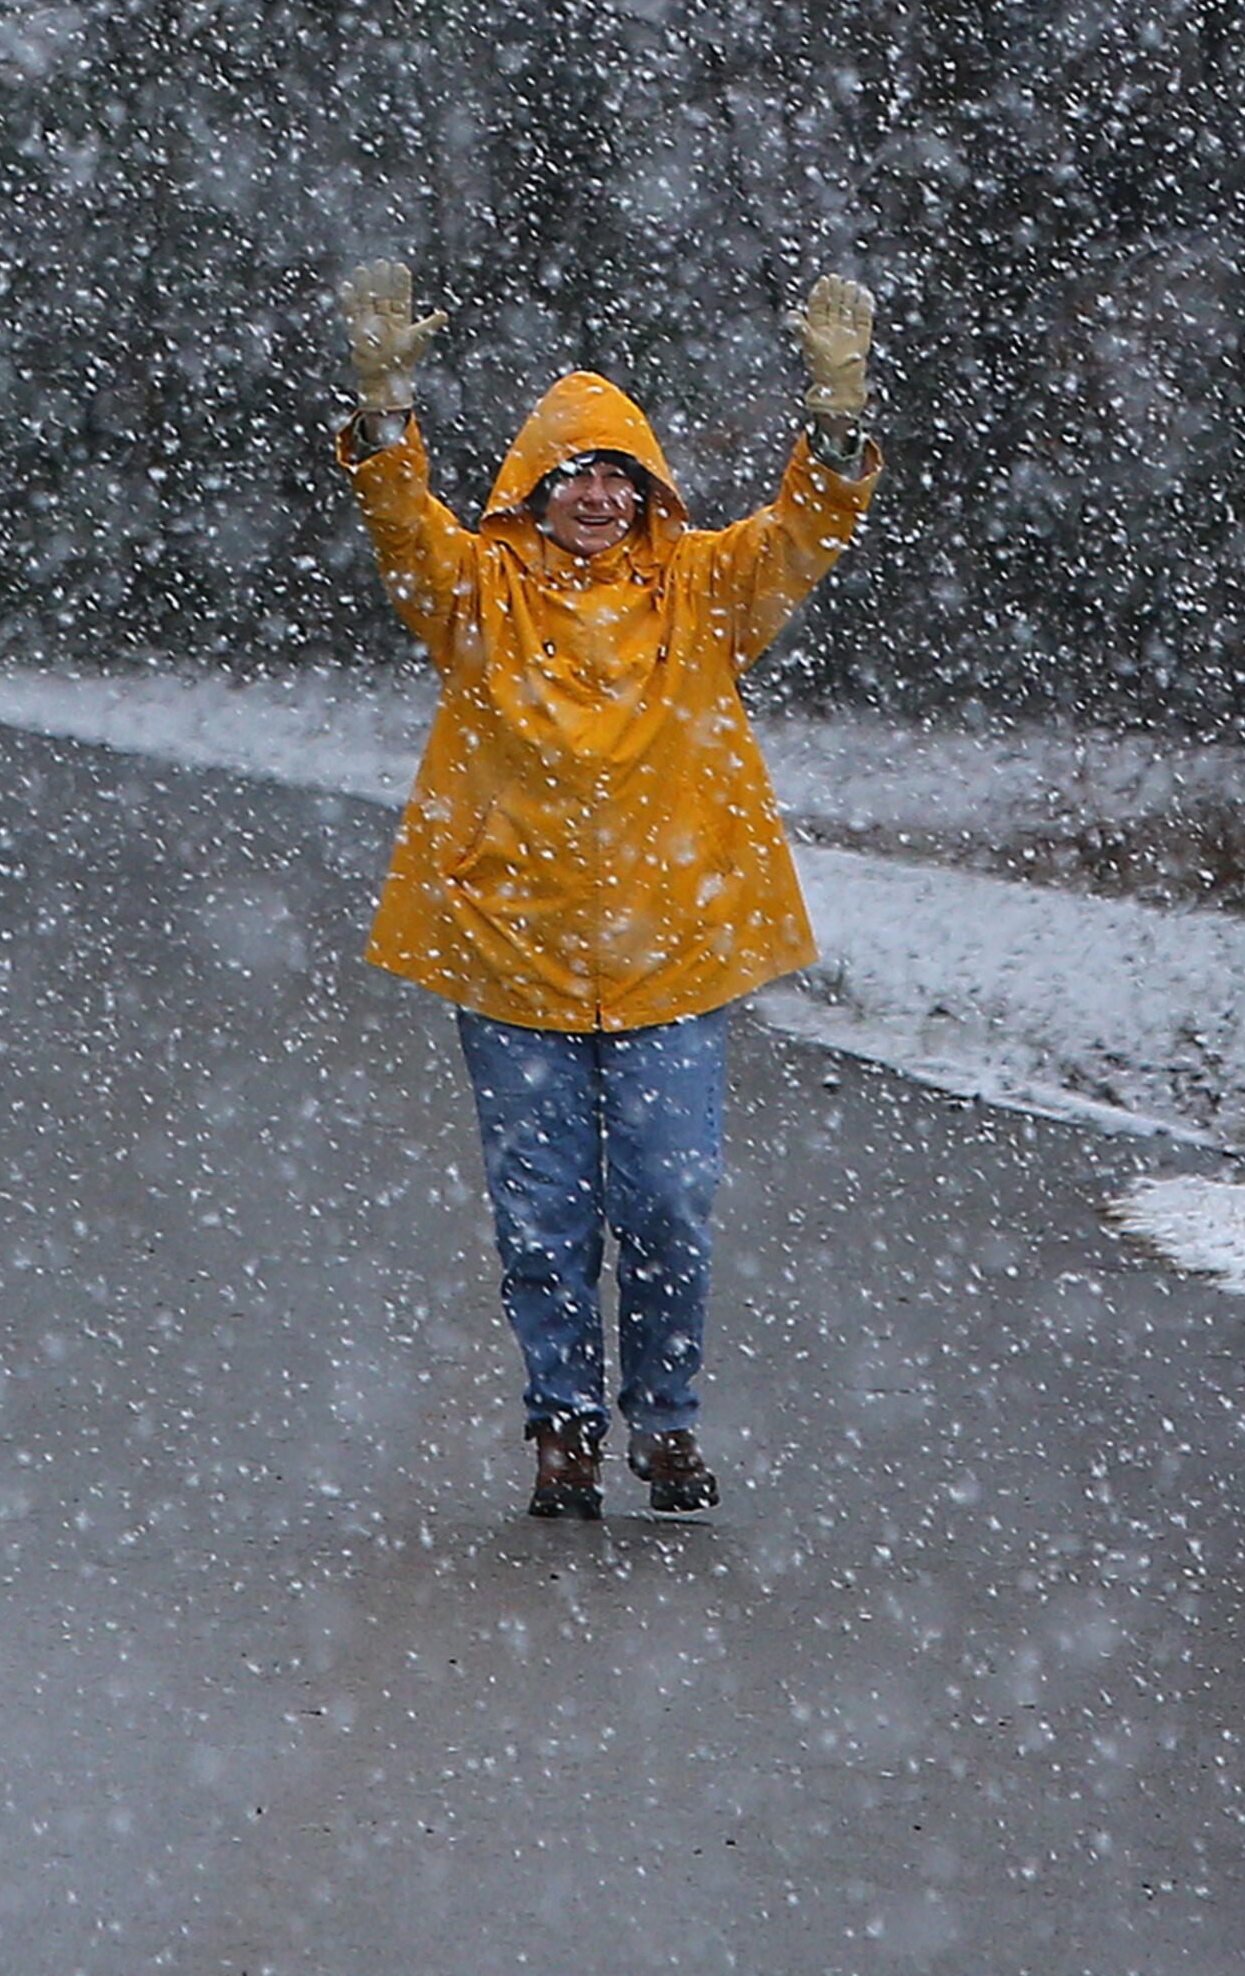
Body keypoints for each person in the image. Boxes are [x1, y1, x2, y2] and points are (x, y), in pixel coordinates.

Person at [332, 259, 879, 1518]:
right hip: (510, 950)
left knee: (669, 1200)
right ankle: (564, 1426)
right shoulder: (475, 591)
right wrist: (382, 414)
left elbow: (809, 531)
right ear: (531, 489)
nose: (596, 493)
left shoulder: (706, 591)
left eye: (619, 474)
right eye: (574, 473)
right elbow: (400, 525)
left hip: (673, 954)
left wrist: (838, 425)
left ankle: (668, 1419)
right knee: (540, 1216)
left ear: (651, 493)